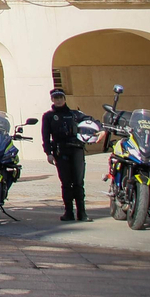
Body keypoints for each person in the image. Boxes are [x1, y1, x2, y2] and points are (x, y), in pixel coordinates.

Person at [42, 88, 93, 222]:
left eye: (60, 97)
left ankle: (82, 213)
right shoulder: (48, 116)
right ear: (52, 99)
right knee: (66, 183)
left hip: (76, 150)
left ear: (65, 99)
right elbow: (45, 136)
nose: (58, 100)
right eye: (56, 98)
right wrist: (48, 153)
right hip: (61, 151)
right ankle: (68, 212)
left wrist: (101, 130)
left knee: (78, 182)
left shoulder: (75, 114)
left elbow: (91, 122)